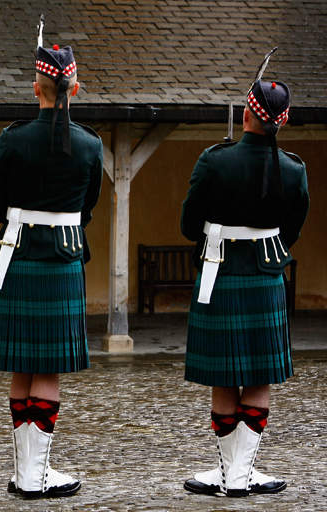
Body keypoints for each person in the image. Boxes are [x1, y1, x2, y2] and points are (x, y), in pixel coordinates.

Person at [0, 16, 102, 499]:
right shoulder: (90, 144)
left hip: (19, 255)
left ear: (38, 87)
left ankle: (25, 474)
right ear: (74, 87)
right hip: (64, 258)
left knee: (22, 366)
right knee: (46, 368)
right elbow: (88, 206)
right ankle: (35, 474)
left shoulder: (13, 138)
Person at [181, 50, 309, 497]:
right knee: (258, 377)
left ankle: (230, 474)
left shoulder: (214, 160)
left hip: (218, 272)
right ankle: (239, 474)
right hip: (266, 274)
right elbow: (292, 228)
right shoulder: (293, 168)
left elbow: (188, 225)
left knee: (224, 376)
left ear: (247, 115)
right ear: (282, 120)